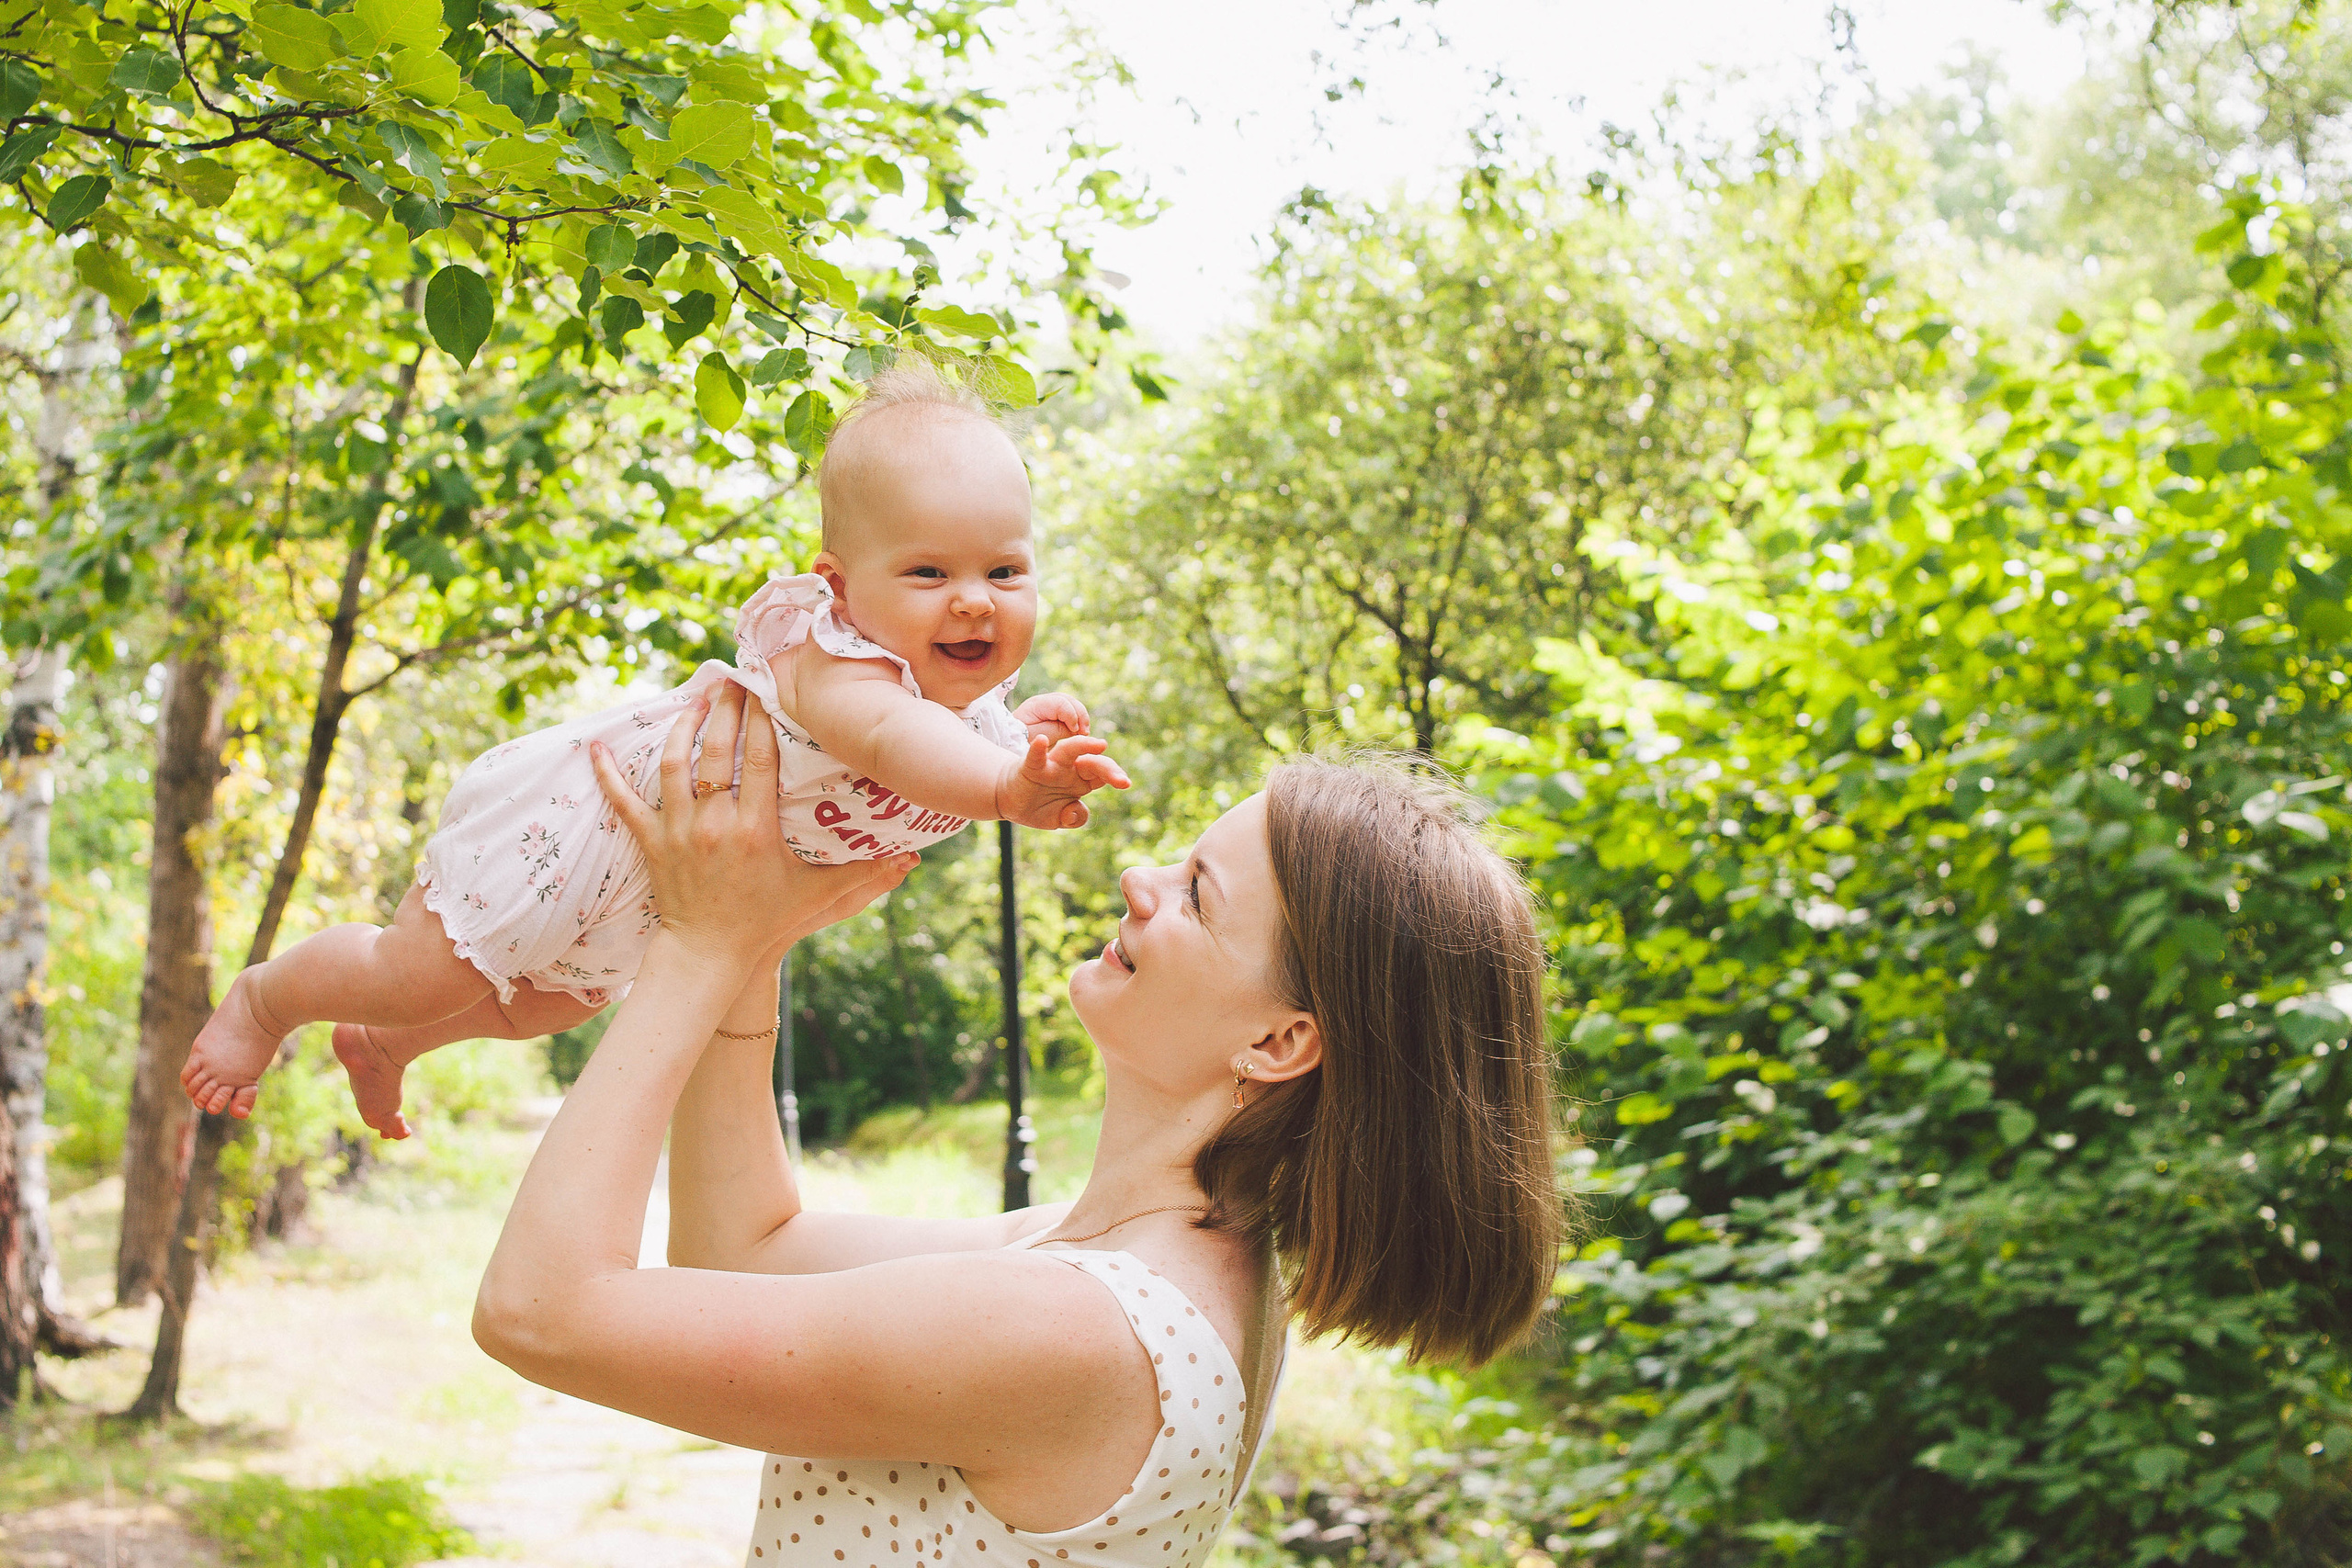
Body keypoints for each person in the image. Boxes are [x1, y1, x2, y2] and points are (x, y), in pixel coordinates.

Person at [469, 682, 1566, 1568]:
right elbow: (741, 1251)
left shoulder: (1074, 1332)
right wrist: (754, 941)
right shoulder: (1129, 1267)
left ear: (1280, 1044)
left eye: (1198, 897)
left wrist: (695, 949)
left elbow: (539, 1311)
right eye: (1178, 863)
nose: (1142, 881)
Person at [178, 365, 1128, 1140]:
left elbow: (956, 740)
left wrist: (1029, 735)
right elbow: (895, 742)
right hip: (587, 822)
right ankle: (267, 1001)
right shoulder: (837, 665)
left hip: (662, 886)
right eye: (928, 572)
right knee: (421, 972)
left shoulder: (963, 709)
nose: (973, 600)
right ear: (838, 588)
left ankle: (388, 1046)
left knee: (552, 1004)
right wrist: (1010, 783)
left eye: (1004, 571)